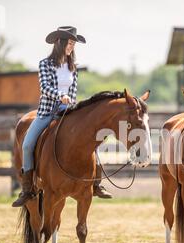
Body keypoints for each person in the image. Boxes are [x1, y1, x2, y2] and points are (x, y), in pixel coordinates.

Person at [12, 26, 112, 208]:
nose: (72, 47)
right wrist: (60, 96)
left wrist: (71, 103)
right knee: (27, 145)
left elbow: (73, 90)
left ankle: (96, 183)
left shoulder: (74, 67)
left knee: (92, 142)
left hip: (69, 112)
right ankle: (27, 188)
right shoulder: (45, 64)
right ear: (59, 42)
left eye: (74, 44)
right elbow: (45, 87)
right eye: (70, 43)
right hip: (47, 112)